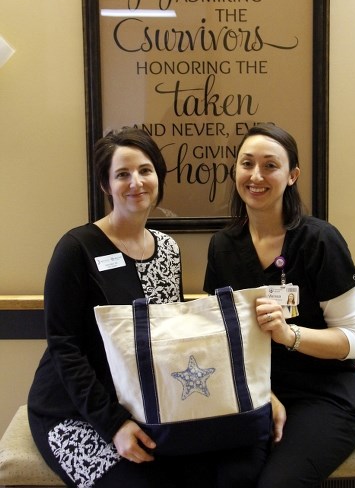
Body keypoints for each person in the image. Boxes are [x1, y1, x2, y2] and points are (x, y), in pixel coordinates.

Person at [28, 128, 266, 488]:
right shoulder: (77, 249)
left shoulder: (168, 249)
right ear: (106, 186)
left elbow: (166, 344)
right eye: (122, 174)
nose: (136, 182)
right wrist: (114, 425)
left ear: (158, 177)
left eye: (145, 170)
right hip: (74, 411)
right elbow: (65, 347)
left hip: (143, 408)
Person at [203, 123, 355, 488]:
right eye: (247, 163)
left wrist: (289, 334)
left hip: (325, 393)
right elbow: (218, 334)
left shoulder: (319, 240)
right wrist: (265, 395)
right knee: (229, 477)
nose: (256, 175)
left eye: (270, 165)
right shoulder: (223, 246)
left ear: (292, 175)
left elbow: (353, 338)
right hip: (256, 390)